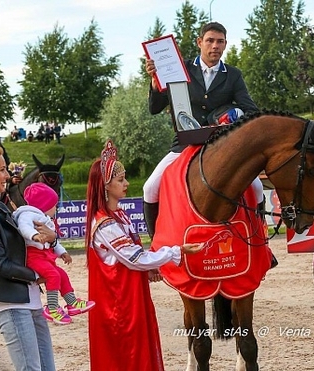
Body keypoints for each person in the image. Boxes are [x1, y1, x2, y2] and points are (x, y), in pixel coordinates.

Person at [84, 139, 203, 371]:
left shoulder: (118, 214)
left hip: (131, 293)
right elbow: (135, 257)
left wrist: (150, 267)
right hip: (119, 301)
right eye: (120, 180)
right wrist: (174, 251)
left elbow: (133, 257)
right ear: (106, 186)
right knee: (127, 350)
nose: (126, 183)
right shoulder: (104, 223)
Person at [143, 21, 260, 239]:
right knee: (150, 188)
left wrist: (235, 114)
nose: (215, 46)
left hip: (222, 144)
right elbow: (154, 108)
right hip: (185, 143)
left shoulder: (233, 75)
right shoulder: (180, 68)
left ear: (225, 45)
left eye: (220, 42)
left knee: (258, 187)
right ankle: (155, 245)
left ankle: (262, 243)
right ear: (200, 42)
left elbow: (251, 110)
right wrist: (154, 80)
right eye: (210, 41)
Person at [0, 144, 57, 371]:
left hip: (30, 299)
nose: (7, 176)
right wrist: (38, 274)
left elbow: (30, 244)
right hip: (10, 302)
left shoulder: (1, 208)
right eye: (1, 170)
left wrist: (53, 238)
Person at [13, 182, 95, 325]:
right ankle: (52, 308)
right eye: (54, 205)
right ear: (44, 204)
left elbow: (53, 240)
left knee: (61, 274)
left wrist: (62, 252)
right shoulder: (27, 214)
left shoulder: (45, 218)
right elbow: (24, 227)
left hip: (45, 255)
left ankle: (72, 302)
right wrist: (34, 236)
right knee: (53, 275)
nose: (56, 208)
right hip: (34, 256)